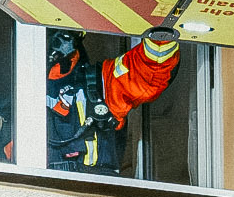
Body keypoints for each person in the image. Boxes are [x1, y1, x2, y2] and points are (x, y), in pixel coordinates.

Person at [46, 29, 182, 173]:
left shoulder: (99, 82)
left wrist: (161, 33)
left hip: (91, 190)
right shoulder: (22, 89)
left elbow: (148, 70)